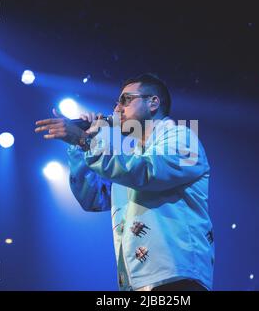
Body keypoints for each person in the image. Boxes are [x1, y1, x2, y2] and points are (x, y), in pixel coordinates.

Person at [35, 73, 214, 291]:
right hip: (137, 281)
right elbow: (92, 198)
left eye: (125, 100)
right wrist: (80, 144)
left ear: (153, 102)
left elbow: (147, 172)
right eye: (116, 103)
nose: (117, 109)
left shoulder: (183, 138)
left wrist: (86, 142)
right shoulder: (130, 157)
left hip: (176, 276)